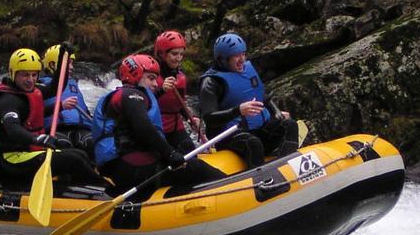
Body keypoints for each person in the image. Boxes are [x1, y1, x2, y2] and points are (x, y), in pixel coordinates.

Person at [91, 54, 225, 194]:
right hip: (129, 167)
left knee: (186, 158)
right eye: (151, 78)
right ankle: (232, 190)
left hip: (126, 165)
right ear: (135, 75)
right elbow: (143, 127)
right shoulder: (131, 96)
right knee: (196, 167)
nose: (156, 84)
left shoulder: (127, 95)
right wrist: (170, 154)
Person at [0, 48, 108, 189]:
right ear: (13, 74)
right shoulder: (7, 100)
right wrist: (37, 139)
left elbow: (56, 88)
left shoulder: (29, 91)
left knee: (80, 154)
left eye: (34, 75)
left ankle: (76, 189)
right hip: (12, 159)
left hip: (29, 152)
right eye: (25, 75)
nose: (30, 80)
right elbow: (13, 128)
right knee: (72, 160)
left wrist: (63, 58)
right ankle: (103, 189)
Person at [199, 32, 299, 170]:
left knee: (290, 125)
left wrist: (276, 112)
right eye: (236, 56)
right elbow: (209, 118)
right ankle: (262, 180)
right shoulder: (211, 82)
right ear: (223, 60)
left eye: (243, 54)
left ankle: (287, 167)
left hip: (258, 129)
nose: (241, 60)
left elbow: (263, 96)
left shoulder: (248, 69)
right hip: (230, 136)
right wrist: (238, 110)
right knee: (253, 143)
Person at [153, 30, 202, 153]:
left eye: (181, 54)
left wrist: (191, 118)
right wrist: (162, 90)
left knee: (190, 152)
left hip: (175, 127)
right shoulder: (150, 77)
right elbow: (142, 103)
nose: (179, 58)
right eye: (174, 54)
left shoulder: (180, 78)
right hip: (156, 129)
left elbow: (180, 105)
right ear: (162, 54)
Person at [39, 43, 93, 152]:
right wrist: (61, 106)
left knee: (90, 143)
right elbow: (38, 112)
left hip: (79, 128)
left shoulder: (73, 84)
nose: (72, 67)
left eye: (72, 63)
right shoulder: (41, 86)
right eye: (69, 63)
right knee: (64, 145)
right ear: (53, 65)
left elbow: (86, 112)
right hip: (56, 129)